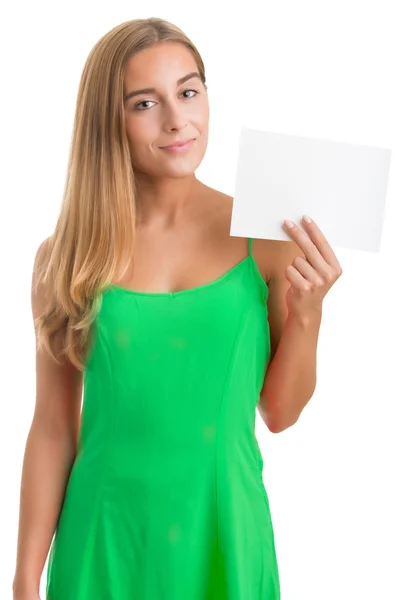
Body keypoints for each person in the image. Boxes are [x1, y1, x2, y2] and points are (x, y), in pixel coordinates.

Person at [12, 16, 342, 600]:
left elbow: (281, 412)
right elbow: (52, 428)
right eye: (145, 103)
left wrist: (309, 315)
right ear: (106, 120)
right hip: (103, 538)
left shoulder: (266, 236)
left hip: (224, 536)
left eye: (188, 92)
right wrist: (23, 578)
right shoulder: (65, 257)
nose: (176, 120)